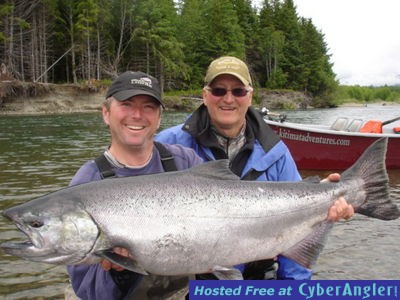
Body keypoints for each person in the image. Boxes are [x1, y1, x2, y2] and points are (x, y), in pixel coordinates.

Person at [155, 56, 354, 280]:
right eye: (219, 90)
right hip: (192, 279)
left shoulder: (276, 152)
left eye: (238, 91)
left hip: (257, 278)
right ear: (204, 95)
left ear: (250, 96)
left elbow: (297, 228)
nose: (228, 99)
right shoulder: (168, 145)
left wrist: (323, 205)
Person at [67, 71, 203, 299]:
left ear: (159, 118)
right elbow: (88, 291)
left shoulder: (184, 162)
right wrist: (121, 273)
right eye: (127, 104)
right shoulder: (88, 181)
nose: (137, 115)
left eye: (149, 107)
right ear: (106, 113)